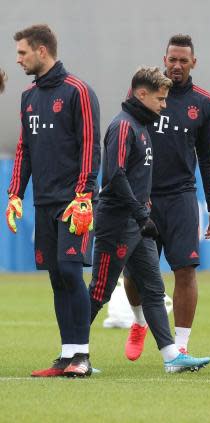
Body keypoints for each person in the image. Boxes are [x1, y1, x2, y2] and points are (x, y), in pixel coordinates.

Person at [88, 66, 210, 373]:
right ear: (141, 94)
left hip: (138, 223)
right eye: (160, 98)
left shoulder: (142, 125)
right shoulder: (124, 127)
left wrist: (143, 212)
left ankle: (172, 357)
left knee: (154, 291)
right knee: (99, 291)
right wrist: (142, 212)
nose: (164, 105)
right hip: (117, 222)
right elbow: (115, 176)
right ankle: (72, 351)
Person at [6, 25, 100, 377]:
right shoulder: (28, 97)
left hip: (73, 202)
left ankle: (83, 357)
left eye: (22, 53)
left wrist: (84, 196)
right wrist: (15, 194)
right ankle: (66, 356)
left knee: (72, 272)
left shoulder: (78, 91)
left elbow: (91, 145)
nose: (18, 60)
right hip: (43, 202)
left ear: (41, 51)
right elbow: (24, 149)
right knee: (57, 277)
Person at [122, 34, 210, 361]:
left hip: (181, 196)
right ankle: (138, 323)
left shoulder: (204, 103)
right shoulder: (145, 92)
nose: (177, 66)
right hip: (143, 196)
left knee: (185, 270)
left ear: (194, 63)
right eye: (172, 59)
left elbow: (208, 157)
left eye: (183, 60)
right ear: (164, 59)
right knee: (135, 273)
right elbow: (125, 138)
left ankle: (181, 345)